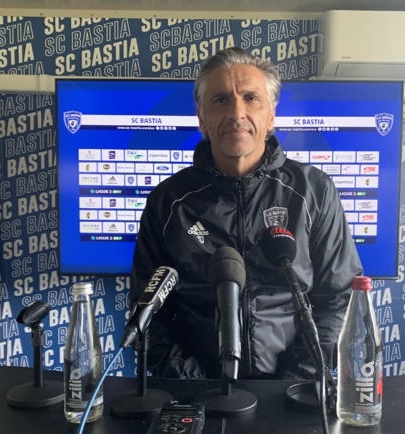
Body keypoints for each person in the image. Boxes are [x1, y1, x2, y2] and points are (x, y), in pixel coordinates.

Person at [130, 46, 362, 380]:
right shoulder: (168, 201)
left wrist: (292, 385)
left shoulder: (314, 191)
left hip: (293, 391)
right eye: (220, 100)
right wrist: (196, 388)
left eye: (251, 98)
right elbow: (148, 313)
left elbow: (339, 300)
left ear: (271, 116)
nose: (236, 113)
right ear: (202, 118)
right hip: (195, 393)